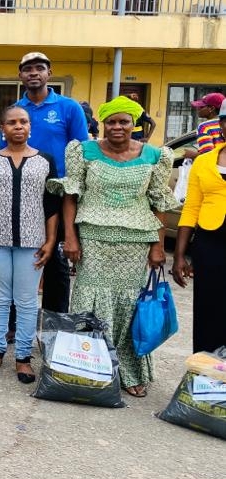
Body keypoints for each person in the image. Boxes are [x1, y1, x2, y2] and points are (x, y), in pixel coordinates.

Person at [53, 96, 178, 398]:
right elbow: (71, 196)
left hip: (136, 241)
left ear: (134, 124)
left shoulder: (154, 156)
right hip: (93, 238)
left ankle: (129, 372)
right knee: (89, 301)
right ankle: (86, 369)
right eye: (111, 121)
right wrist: (70, 237)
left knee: (129, 305)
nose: (117, 127)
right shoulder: (83, 151)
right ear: (103, 124)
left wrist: (158, 246)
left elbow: (158, 203)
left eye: (124, 121)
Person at [0, 105, 60, 383]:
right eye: (12, 122)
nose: (18, 126)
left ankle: (23, 357)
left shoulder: (45, 161)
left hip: (33, 240)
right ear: (3, 128)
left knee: (26, 299)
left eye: (23, 122)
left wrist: (51, 240)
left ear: (30, 127)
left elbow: (51, 205)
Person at [11, 52, 89, 314]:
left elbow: (82, 151)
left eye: (39, 68)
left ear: (49, 73)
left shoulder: (69, 107)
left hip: (61, 195)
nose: (33, 73)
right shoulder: (17, 110)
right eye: (28, 69)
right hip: (24, 193)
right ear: (20, 75)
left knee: (56, 260)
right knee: (22, 256)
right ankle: (16, 323)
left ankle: (54, 323)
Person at [172, 102, 226, 353]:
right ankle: (205, 368)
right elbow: (191, 208)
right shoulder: (204, 162)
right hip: (210, 244)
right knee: (208, 310)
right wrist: (179, 255)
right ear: (221, 124)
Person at [185, 92, 224, 159]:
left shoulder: (204, 127)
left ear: (211, 109)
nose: (198, 108)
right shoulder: (223, 123)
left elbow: (208, 155)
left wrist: (193, 155)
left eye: (201, 107)